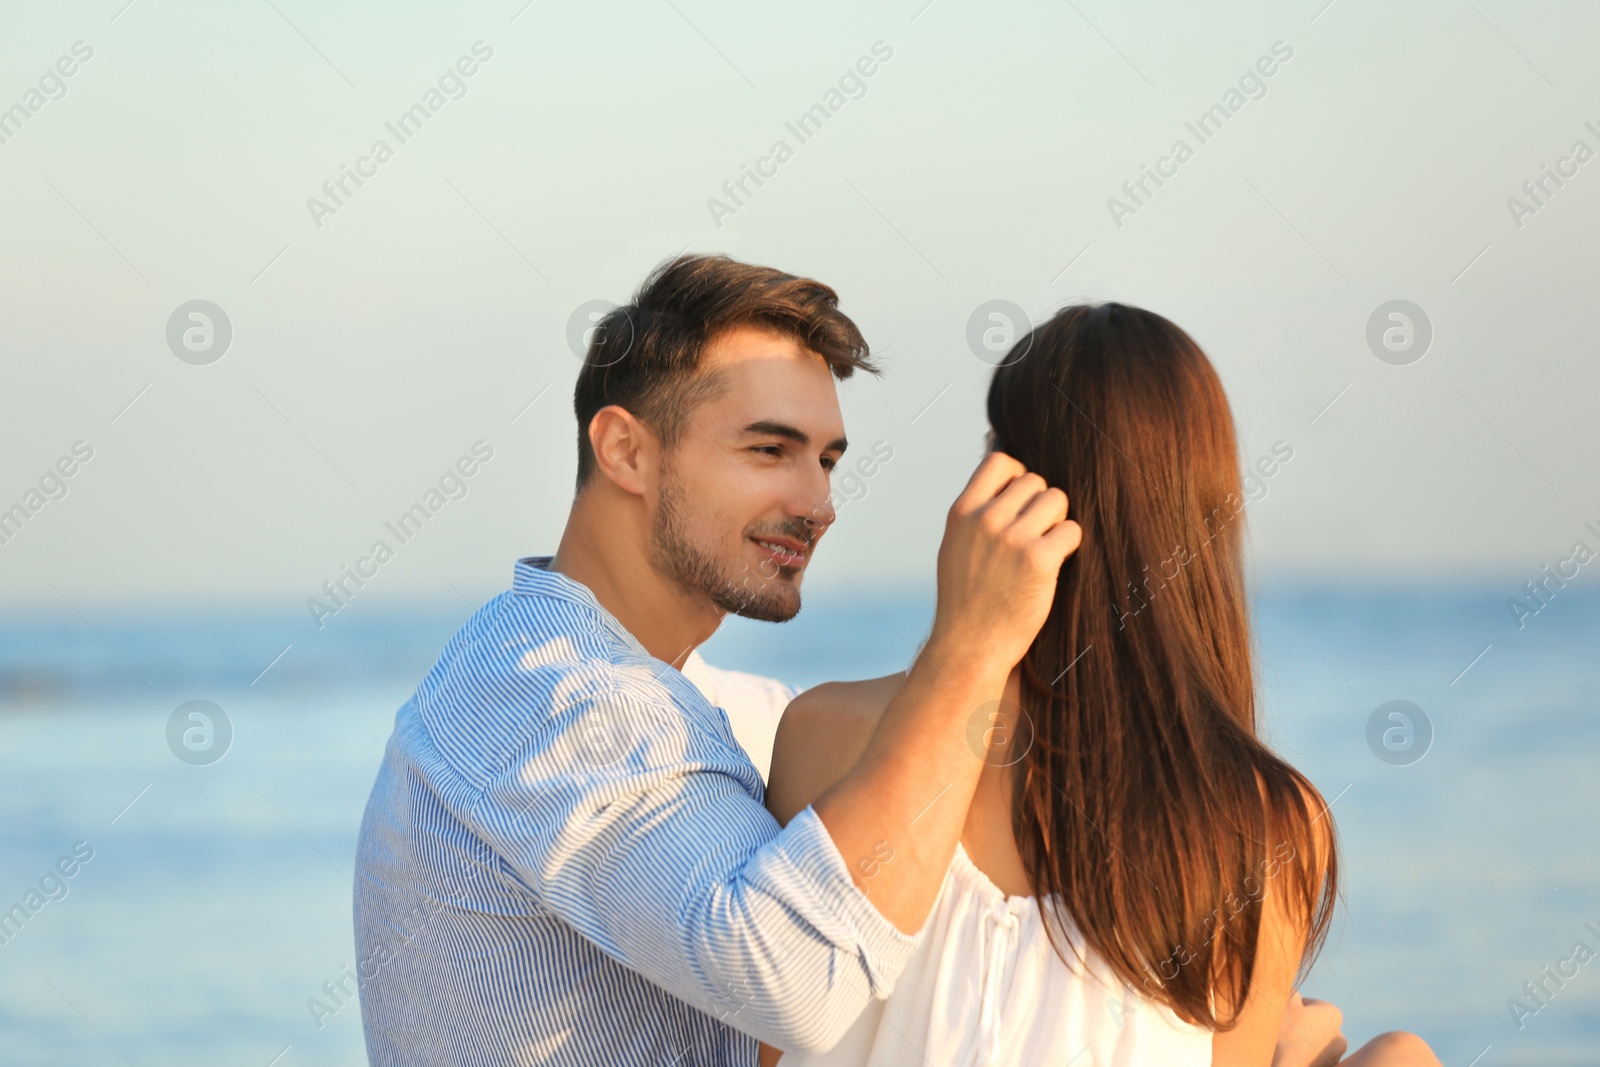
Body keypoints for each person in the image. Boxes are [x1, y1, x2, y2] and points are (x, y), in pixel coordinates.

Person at [350, 254, 1080, 1066]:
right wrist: (970, 647)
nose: (818, 504)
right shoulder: (565, 697)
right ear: (626, 451)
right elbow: (804, 981)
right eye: (770, 450)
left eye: (828, 459)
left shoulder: (633, 684)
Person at [760, 303, 1445, 1066]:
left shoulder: (829, 733)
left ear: (1001, 490)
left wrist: (965, 631)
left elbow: (764, 1029)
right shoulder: (1264, 822)